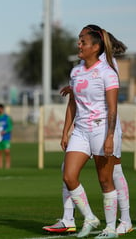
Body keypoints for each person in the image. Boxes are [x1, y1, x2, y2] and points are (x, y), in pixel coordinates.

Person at [43, 28, 133, 236]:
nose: (78, 44)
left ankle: (120, 222)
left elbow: (111, 104)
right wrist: (66, 131)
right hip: (82, 129)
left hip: (104, 128)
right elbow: (77, 97)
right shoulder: (76, 70)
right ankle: (81, 218)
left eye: (83, 40)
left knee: (109, 176)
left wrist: (110, 135)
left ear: (96, 45)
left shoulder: (108, 68)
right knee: (69, 173)